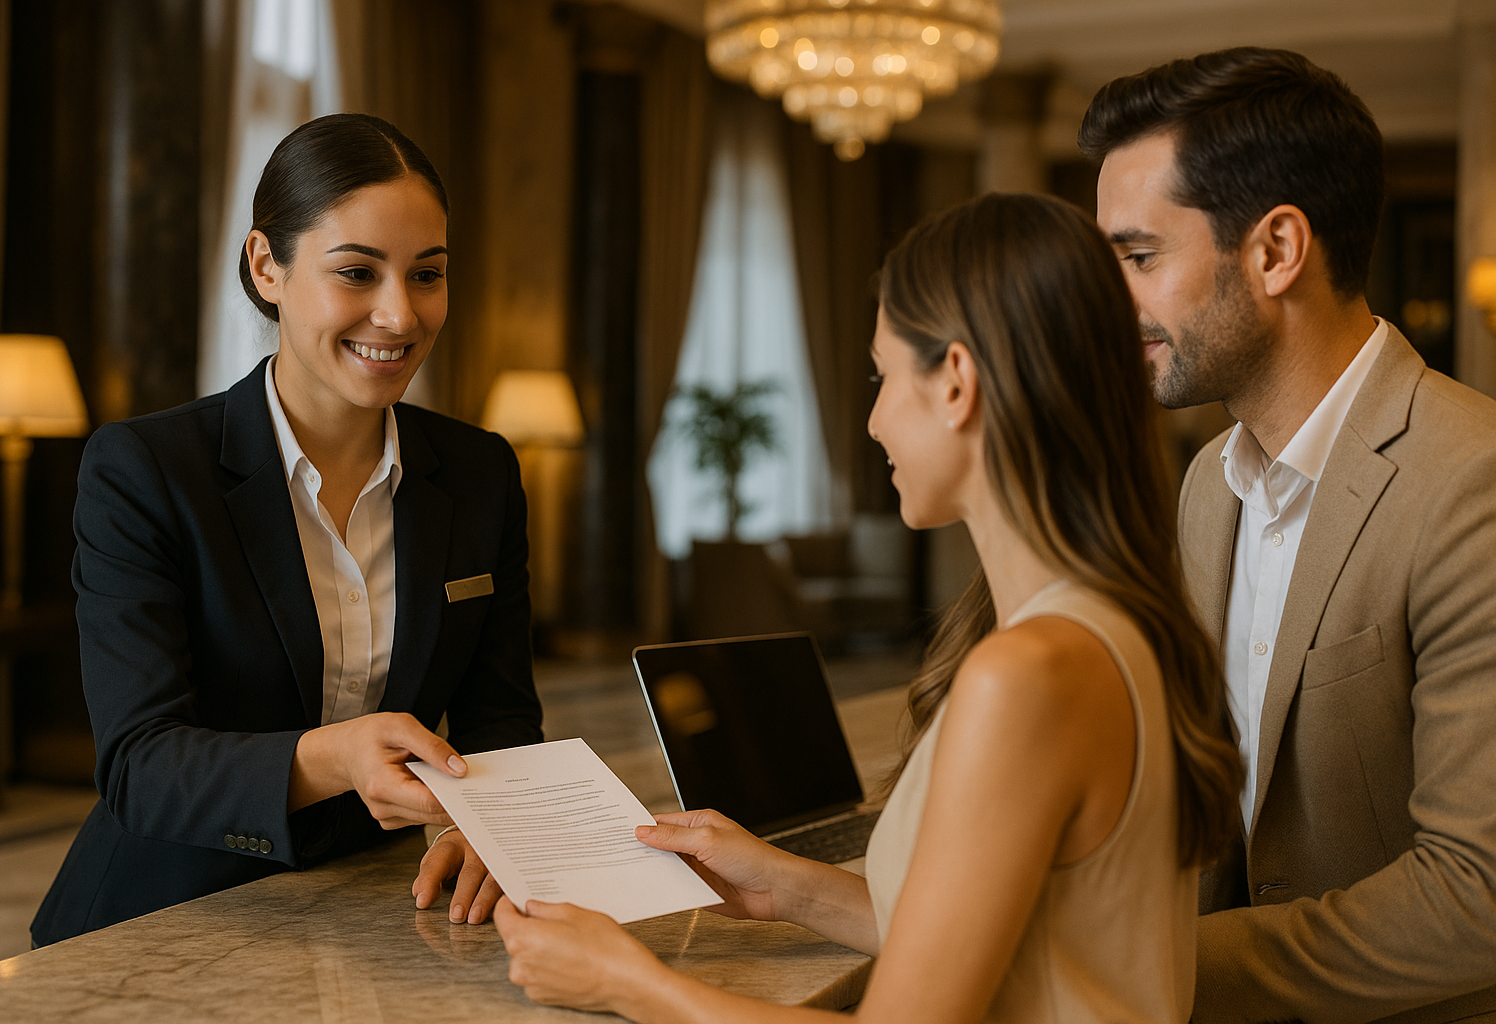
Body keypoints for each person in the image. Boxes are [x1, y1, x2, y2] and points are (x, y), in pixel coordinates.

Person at [491, 192, 1242, 1022]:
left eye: (883, 376)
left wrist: (628, 983)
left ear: (956, 381)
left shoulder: (1028, 672)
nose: (875, 420)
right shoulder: (1111, 624)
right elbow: (1023, 935)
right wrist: (789, 887)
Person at [31, 113, 542, 947]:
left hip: (377, 909)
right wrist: (332, 758)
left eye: (427, 275)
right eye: (356, 272)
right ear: (268, 265)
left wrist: (468, 829)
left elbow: (503, 719)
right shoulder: (145, 469)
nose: (399, 315)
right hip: (160, 920)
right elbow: (141, 764)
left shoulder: (480, 472)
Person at [1081, 47, 1496, 1023]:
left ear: (1275, 251)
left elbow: (1479, 892)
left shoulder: (1472, 483)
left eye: (1137, 258)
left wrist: (1141, 963)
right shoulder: (1204, 486)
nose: (1108, 301)